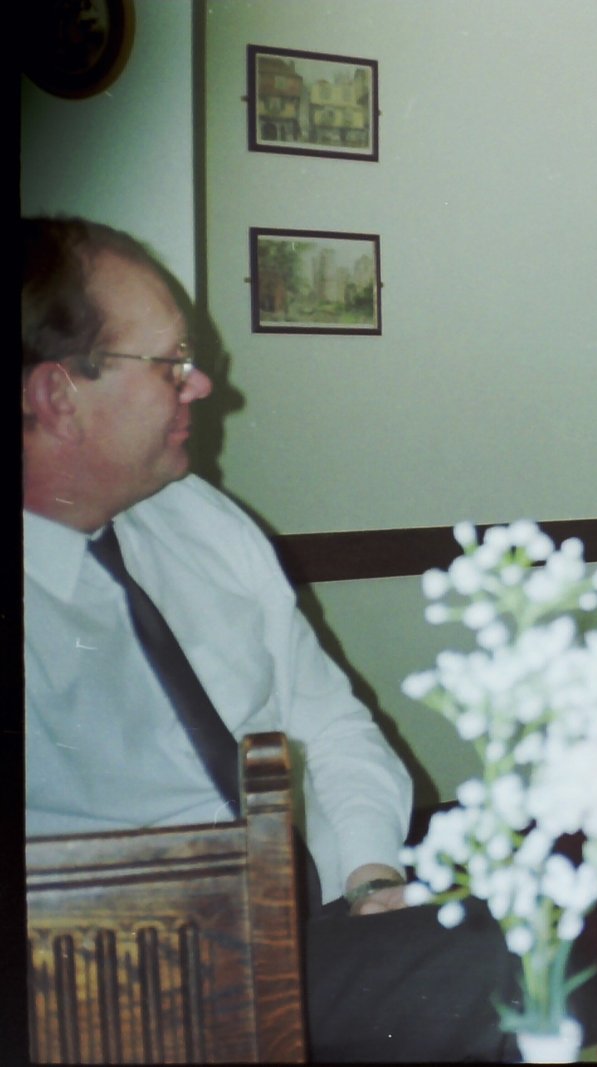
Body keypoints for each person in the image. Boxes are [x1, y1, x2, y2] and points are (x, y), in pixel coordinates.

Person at [22, 217, 525, 1061]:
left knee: (513, 940)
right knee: (483, 970)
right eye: (169, 364)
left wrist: (373, 875)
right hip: (126, 985)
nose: (201, 384)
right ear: (58, 397)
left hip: (314, 916)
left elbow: (331, 720)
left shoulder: (198, 521)